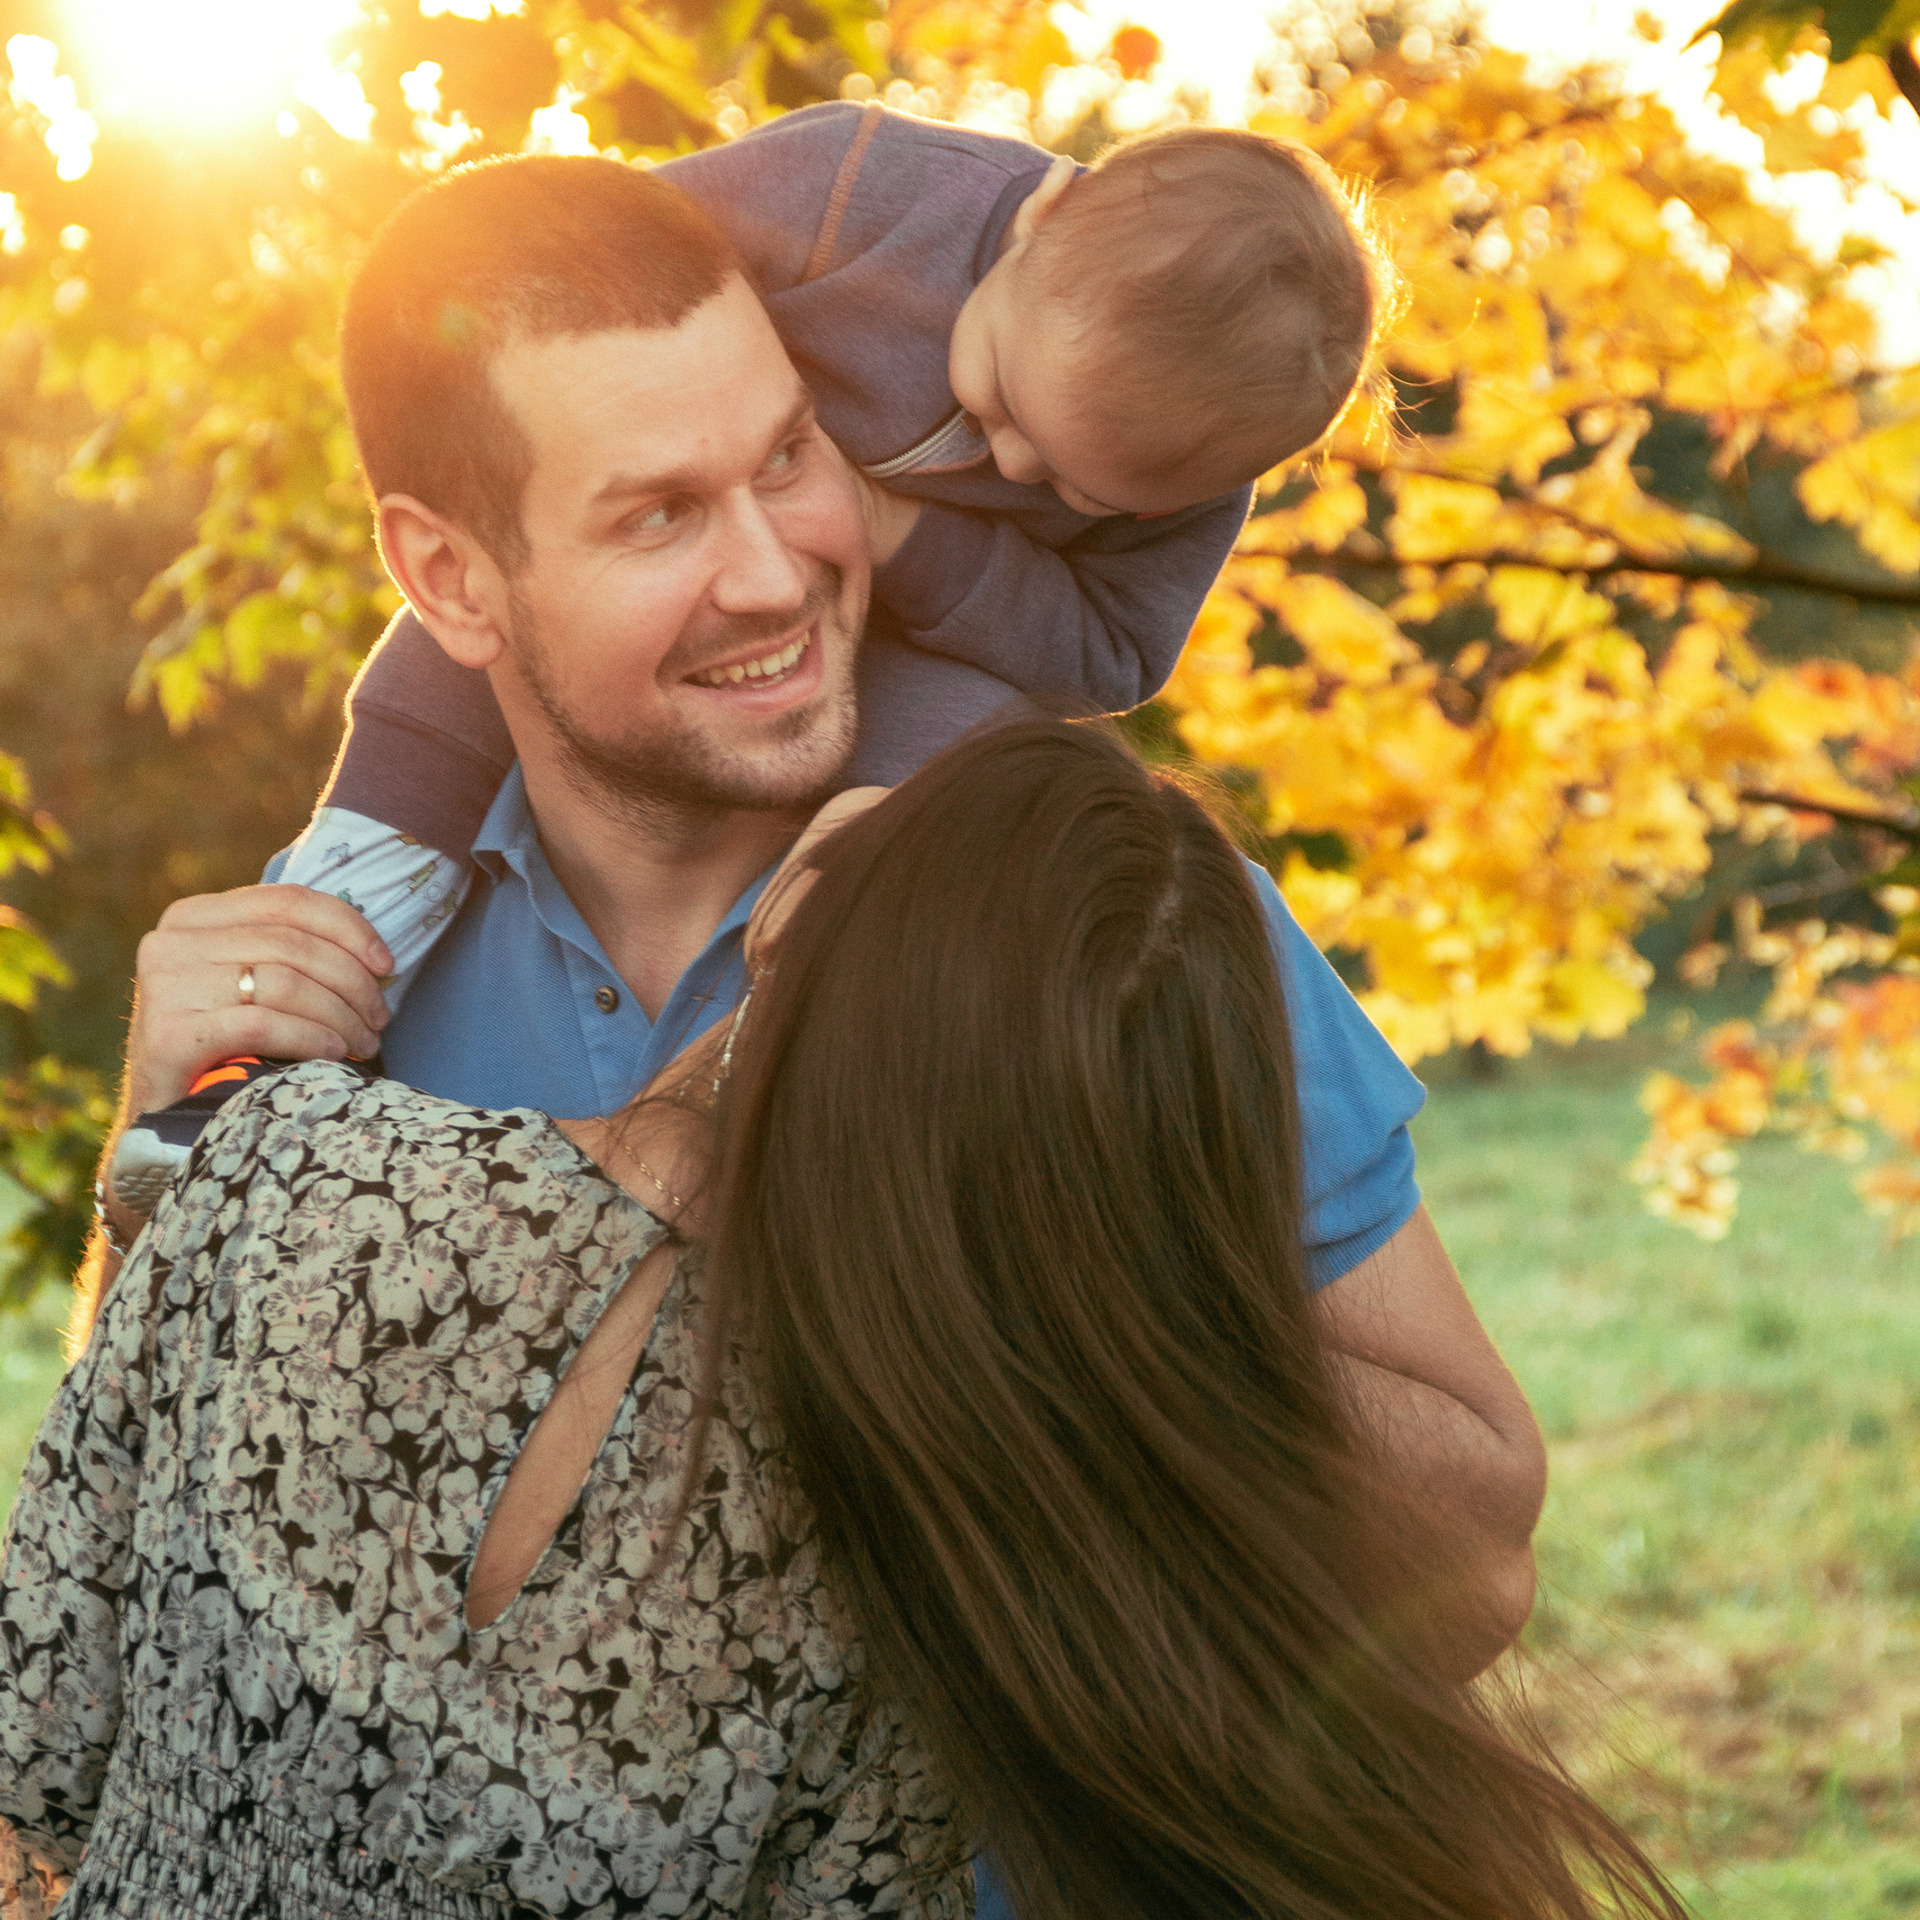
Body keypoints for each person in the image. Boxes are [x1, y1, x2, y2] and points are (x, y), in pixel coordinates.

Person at [85, 150, 1545, 1911]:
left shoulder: (1100, 927)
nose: (779, 573)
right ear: (451, 583)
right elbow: (149, 1551)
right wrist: (157, 1146)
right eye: (658, 515)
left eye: (790, 455)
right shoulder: (334, 975)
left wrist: (1001, 1236)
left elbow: (1471, 1562)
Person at [0, 720, 1680, 1920]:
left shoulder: (290, 1149)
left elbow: (35, 1766)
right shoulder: (922, 1554)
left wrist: (165, 1162)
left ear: (786, 925)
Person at [270, 105, 1388, 1010]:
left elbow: (1108, 657)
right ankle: (358, 893)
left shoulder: (1194, 475)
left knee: (967, 766)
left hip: (922, 652)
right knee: (475, 640)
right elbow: (609, 267)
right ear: (1047, 215)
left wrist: (910, 538)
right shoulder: (870, 190)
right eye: (1000, 396)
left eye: (1070, 488)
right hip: (685, 567)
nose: (1003, 461)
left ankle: (836, 968)